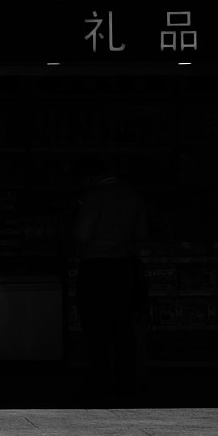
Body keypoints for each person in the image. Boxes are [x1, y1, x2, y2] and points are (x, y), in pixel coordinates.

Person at [70, 155, 148, 389]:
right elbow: (143, 233)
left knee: (96, 324)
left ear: (88, 177)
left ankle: (100, 376)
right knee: (123, 323)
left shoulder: (93, 198)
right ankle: (126, 376)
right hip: (123, 266)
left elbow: (82, 234)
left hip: (95, 266)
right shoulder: (133, 197)